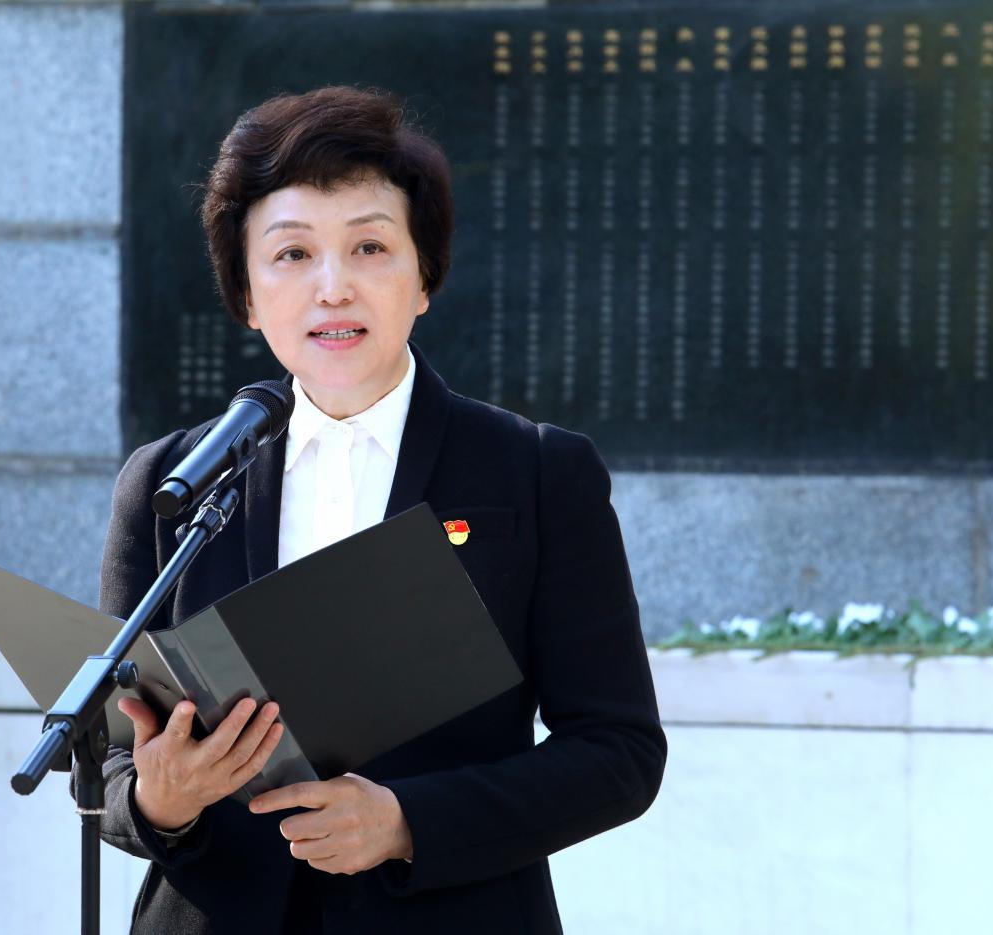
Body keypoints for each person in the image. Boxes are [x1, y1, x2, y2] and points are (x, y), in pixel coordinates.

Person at [87, 85, 667, 934]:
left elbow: (619, 753)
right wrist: (157, 799)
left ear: (423, 277)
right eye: (292, 254)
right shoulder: (168, 482)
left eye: (368, 246)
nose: (333, 288)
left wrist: (406, 823)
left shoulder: (535, 474)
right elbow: (105, 760)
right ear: (245, 295)